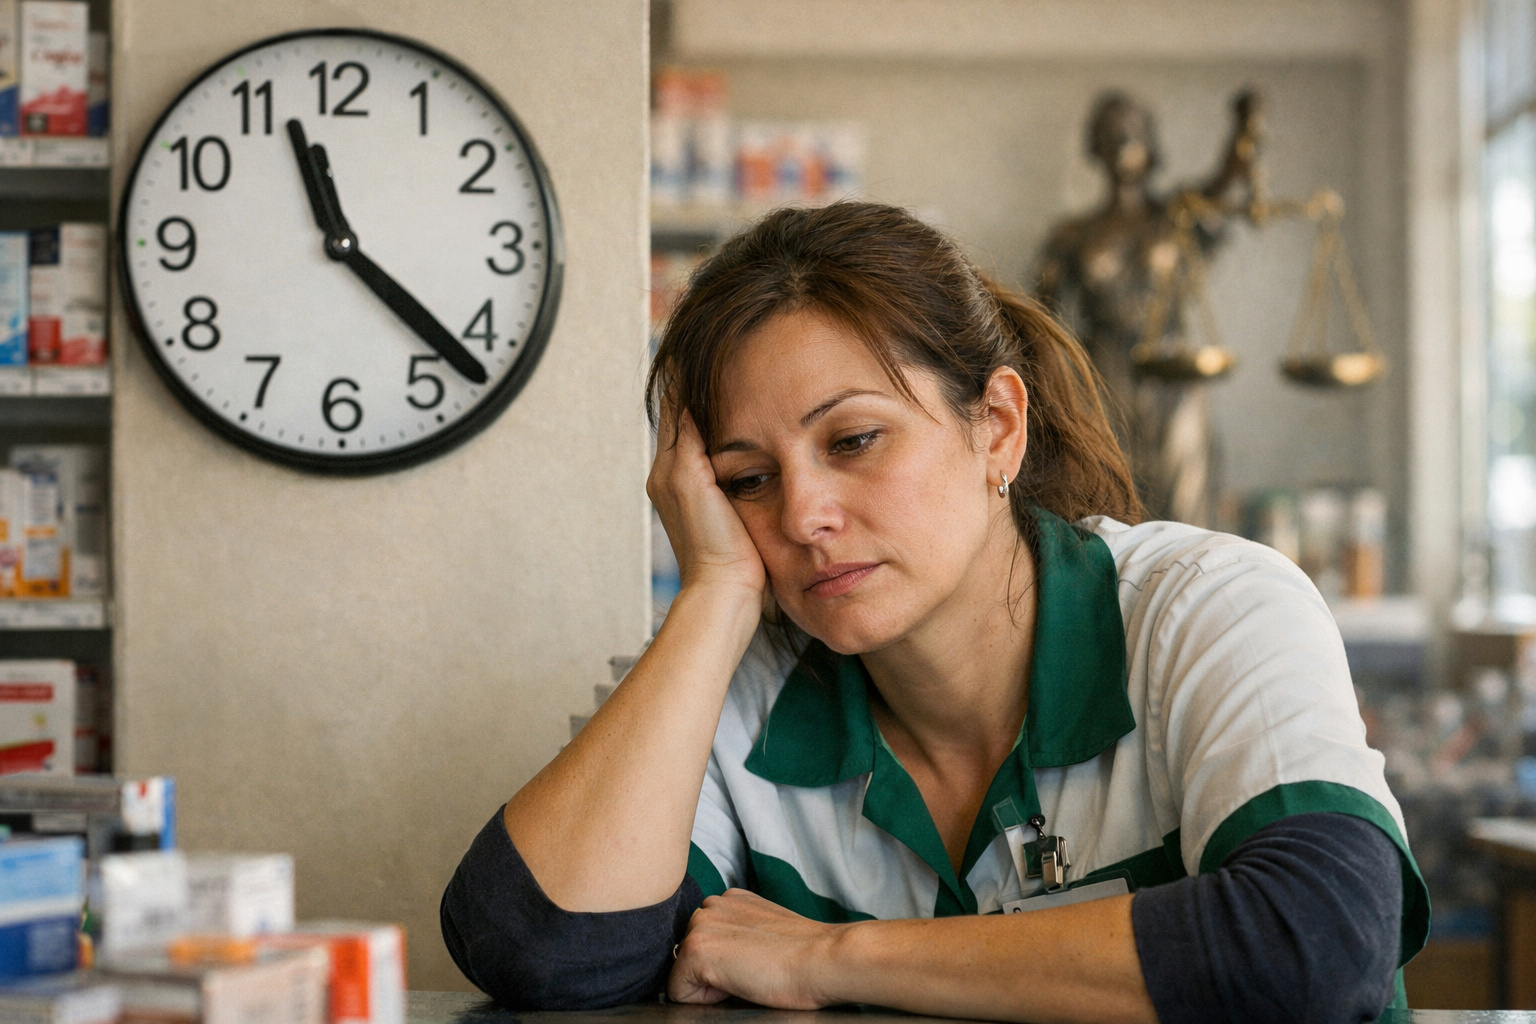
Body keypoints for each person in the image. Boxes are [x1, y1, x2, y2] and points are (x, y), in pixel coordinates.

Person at [441, 202, 1427, 1024]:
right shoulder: (741, 688)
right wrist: (714, 591)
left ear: (996, 426)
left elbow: (1314, 946)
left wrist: (828, 956)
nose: (802, 514)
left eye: (856, 438)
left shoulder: (1206, 606)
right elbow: (543, 951)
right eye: (746, 478)